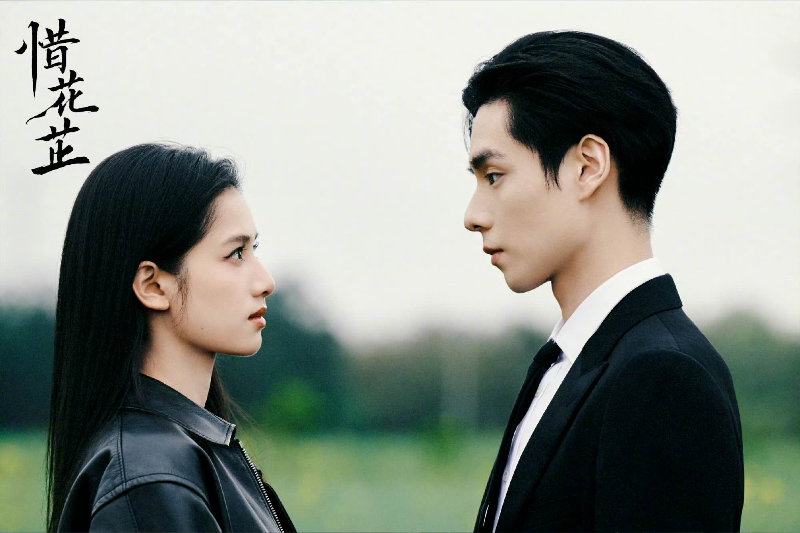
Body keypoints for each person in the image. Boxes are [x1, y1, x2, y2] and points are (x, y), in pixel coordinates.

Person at [461, 31, 744, 531]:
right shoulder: (571, 360)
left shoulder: (663, 378)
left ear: (588, 166)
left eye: (494, 176)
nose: (473, 216)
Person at [47, 143, 295, 532]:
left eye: (254, 249)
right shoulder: (151, 482)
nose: (266, 281)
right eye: (235, 253)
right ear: (153, 286)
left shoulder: (176, 459)